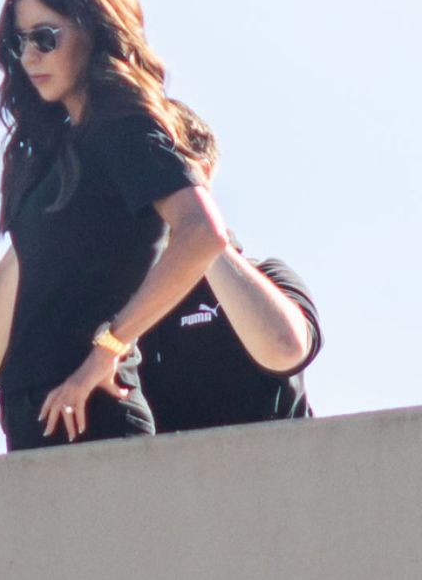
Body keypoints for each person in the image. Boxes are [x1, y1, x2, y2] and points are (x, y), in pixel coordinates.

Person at [0, 0, 228, 450]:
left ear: (94, 28)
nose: (29, 56)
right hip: (34, 421)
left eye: (45, 37)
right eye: (19, 41)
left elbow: (203, 233)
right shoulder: (54, 153)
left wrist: (107, 350)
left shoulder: (122, 124)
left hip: (93, 416)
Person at [138, 102, 322, 432]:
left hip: (272, 475)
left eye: (162, 164)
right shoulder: (119, 301)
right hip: (164, 480)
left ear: (202, 175)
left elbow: (284, 348)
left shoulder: (269, 276)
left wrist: (197, 234)